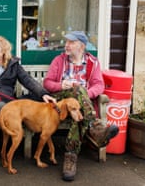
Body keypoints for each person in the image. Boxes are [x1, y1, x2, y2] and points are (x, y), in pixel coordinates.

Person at [0, 35, 55, 167]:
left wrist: (43, 94)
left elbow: (28, 81)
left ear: (4, 51)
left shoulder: (14, 65)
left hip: (4, 104)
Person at [42, 30, 118, 181]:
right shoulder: (59, 60)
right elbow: (47, 83)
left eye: (71, 42)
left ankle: (70, 159)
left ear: (81, 46)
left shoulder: (93, 62)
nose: (67, 45)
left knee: (78, 111)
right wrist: (61, 85)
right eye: (67, 42)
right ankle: (96, 127)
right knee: (77, 89)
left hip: (80, 106)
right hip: (62, 101)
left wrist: (84, 97)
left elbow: (98, 86)